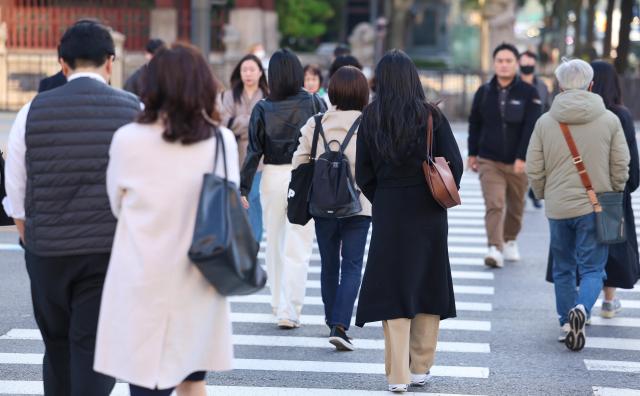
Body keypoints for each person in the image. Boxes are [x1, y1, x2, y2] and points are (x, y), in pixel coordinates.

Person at [2, 20, 140, 395]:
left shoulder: (32, 111)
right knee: (94, 347)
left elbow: (15, 189)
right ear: (110, 62)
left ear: (61, 63)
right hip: (106, 252)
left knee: (57, 348)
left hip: (47, 253)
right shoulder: (134, 110)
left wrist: (33, 239)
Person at [94, 43, 236, 395]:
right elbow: (228, 199)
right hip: (201, 273)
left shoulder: (128, 139)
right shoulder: (221, 140)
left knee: (146, 381)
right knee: (193, 378)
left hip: (143, 274)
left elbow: (117, 204)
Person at [354, 50, 463, 392]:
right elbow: (454, 166)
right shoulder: (431, 117)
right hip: (428, 210)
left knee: (393, 286)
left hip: (389, 209)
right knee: (429, 283)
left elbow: (364, 175)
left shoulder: (371, 117)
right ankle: (421, 367)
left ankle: (397, 375)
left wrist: (384, 198)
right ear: (413, 78)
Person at [526, 59, 630, 351]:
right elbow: (621, 164)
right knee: (594, 269)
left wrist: (544, 192)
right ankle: (583, 309)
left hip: (559, 207)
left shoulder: (546, 121)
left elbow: (534, 166)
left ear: (559, 87)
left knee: (563, 268)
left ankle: (564, 321)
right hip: (600, 204)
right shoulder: (609, 120)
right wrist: (613, 192)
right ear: (591, 85)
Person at [544, 61, 640, 320]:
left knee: (573, 252)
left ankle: (573, 306)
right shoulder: (618, 116)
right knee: (609, 250)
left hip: (567, 196)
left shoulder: (559, 113)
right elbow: (628, 161)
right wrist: (620, 189)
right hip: (609, 198)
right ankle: (608, 301)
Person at [240, 48, 327, 329]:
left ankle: (277, 304)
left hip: (273, 177)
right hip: (304, 176)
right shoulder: (314, 103)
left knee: (274, 242)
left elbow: (253, 152)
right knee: (299, 245)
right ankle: (292, 310)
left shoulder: (263, 107)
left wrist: (243, 187)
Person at [292, 66, 371, 351]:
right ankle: (340, 324)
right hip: (358, 205)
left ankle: (330, 319)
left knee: (329, 264)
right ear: (363, 92)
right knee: (351, 266)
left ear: (333, 90)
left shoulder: (316, 122)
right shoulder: (368, 123)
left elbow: (299, 161)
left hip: (322, 205)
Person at [468, 43, 542, 268]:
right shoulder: (484, 92)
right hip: (489, 160)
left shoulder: (529, 93)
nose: (504, 65)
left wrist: (522, 157)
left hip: (519, 162)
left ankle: (510, 239)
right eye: (499, 61)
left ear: (516, 64)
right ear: (494, 63)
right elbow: (475, 124)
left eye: (508, 61)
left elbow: (532, 127)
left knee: (516, 206)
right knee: (495, 204)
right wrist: (472, 154)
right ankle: (494, 247)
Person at [218, 54, 269, 241]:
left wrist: (238, 124)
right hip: (233, 157)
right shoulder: (229, 95)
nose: (247, 73)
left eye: (251, 69)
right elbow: (223, 121)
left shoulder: (267, 96)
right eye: (244, 70)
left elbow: (269, 124)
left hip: (259, 161)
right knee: (235, 204)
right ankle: (238, 245)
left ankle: (253, 245)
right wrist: (253, 123)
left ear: (260, 72)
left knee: (254, 200)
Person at [519, 50, 550, 209]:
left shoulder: (542, 86)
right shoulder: (513, 84)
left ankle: (533, 191)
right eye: (524, 63)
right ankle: (521, 192)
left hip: (538, 131)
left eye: (530, 63)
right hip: (516, 132)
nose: (527, 66)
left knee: (537, 165)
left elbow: (548, 108)